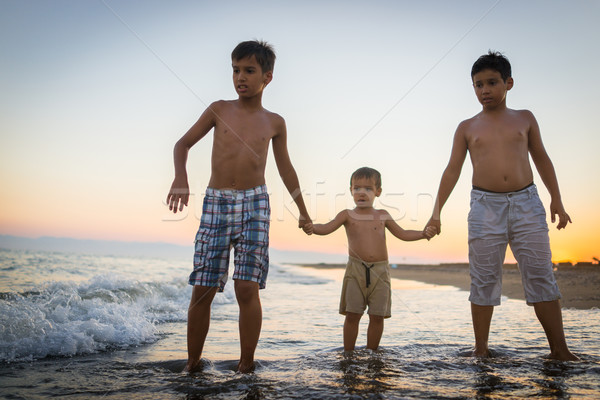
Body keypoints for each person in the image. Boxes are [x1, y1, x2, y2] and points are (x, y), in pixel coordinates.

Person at [166, 40, 312, 373]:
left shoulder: (275, 122)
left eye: (249, 70)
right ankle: (192, 363)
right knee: (203, 288)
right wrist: (180, 178)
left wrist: (302, 210)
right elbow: (182, 144)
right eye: (235, 70)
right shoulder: (219, 108)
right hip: (216, 202)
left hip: (255, 203)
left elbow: (286, 168)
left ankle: (246, 364)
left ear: (267, 77)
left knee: (246, 287)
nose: (240, 77)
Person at [426, 51, 578, 361]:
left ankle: (560, 351)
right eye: (478, 85)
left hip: (526, 203)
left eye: (492, 83)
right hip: (484, 206)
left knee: (539, 273)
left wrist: (557, 199)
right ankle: (481, 350)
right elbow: (452, 170)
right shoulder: (467, 127)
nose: (485, 90)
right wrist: (436, 212)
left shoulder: (525, 118)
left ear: (508, 83)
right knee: (483, 278)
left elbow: (542, 158)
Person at [304, 167, 435, 351]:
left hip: (380, 272)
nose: (361, 193)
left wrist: (423, 234)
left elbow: (403, 233)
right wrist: (311, 227)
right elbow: (325, 228)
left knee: (377, 316)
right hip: (355, 270)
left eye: (367, 188)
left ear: (378, 192)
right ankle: (348, 354)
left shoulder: (382, 215)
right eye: (356, 188)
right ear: (350, 191)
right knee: (352, 314)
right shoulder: (347, 214)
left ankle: (372, 352)